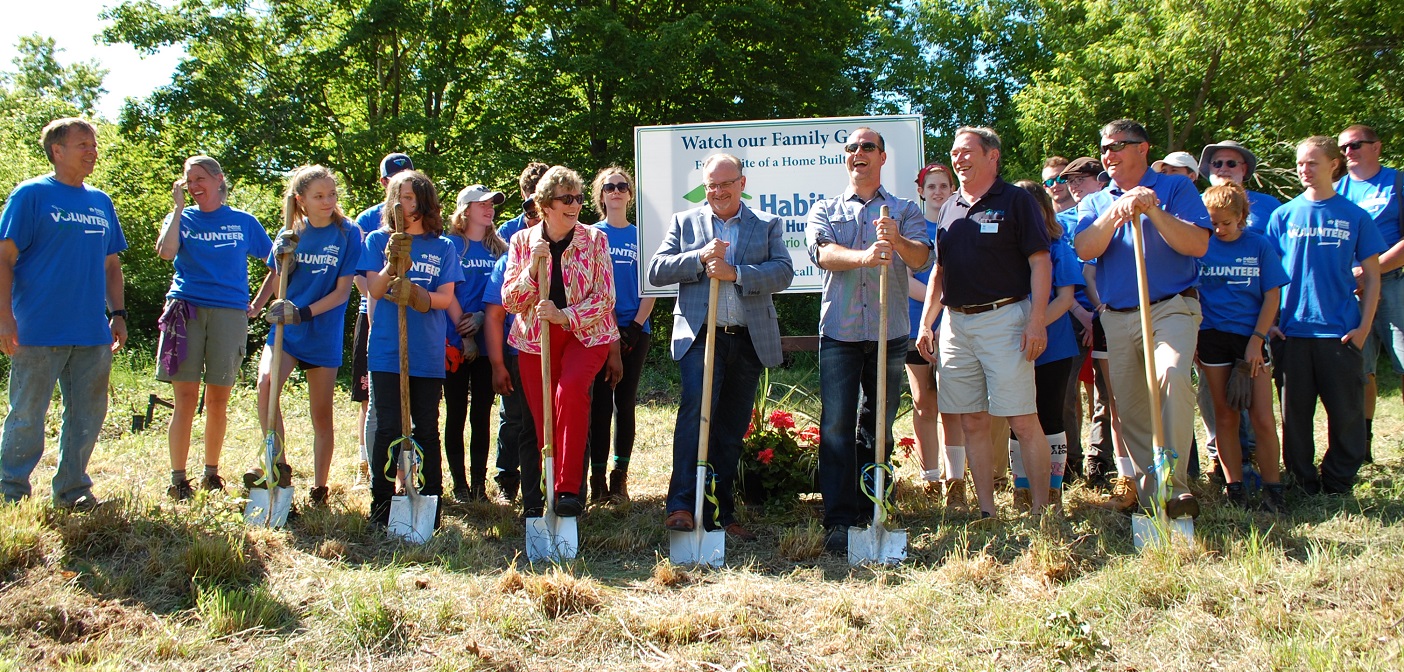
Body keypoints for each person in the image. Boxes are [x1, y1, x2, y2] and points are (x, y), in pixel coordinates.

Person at [650, 153, 794, 539]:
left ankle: (719, 511)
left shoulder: (765, 224)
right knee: (697, 416)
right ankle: (681, 504)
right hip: (701, 337)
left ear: (741, 184)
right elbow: (657, 269)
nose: (717, 191)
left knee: (731, 429)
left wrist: (737, 273)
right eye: (711, 185)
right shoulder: (685, 222)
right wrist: (698, 258)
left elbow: (784, 271)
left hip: (746, 339)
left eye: (725, 184)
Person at [1073, 119, 1211, 519]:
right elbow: (1084, 247)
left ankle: (1177, 485)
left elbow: (1198, 243)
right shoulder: (1097, 201)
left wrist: (1152, 210)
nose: (1108, 154)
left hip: (1170, 307)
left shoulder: (1175, 188)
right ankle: (1155, 498)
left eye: (1118, 145)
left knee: (1170, 375)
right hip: (1117, 316)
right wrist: (1117, 212)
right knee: (1131, 410)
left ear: (1143, 148)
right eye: (1104, 147)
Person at [915, 127, 1051, 520]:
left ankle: (1042, 510)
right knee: (971, 418)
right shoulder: (949, 207)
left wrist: (1037, 320)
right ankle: (986, 511)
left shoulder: (1016, 201)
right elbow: (940, 270)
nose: (958, 159)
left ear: (992, 156)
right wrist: (927, 323)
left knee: (1022, 419)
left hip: (1006, 320)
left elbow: (1040, 261)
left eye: (967, 152)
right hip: (957, 326)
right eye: (954, 152)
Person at [808, 127, 931, 552]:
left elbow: (920, 259)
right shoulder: (824, 207)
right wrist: (864, 256)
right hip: (840, 333)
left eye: (867, 147)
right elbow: (823, 254)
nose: (858, 153)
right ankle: (839, 520)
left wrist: (895, 239)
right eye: (852, 148)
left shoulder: (904, 209)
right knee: (836, 427)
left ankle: (875, 508)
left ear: (882, 157)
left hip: (888, 332)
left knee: (878, 425)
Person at [0, 117, 127, 509]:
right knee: (27, 414)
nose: (92, 150)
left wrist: (118, 313)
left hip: (91, 331)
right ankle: (11, 491)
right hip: (37, 327)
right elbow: (4, 259)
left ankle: (74, 490)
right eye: (82, 144)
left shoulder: (100, 201)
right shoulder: (32, 195)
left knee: (87, 415)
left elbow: (111, 266)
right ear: (57, 151)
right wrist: (5, 318)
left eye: (93, 144)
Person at [1266, 136, 1384, 496]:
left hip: (1340, 333)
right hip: (1292, 332)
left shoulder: (1355, 215)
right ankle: (1303, 481)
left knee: (1346, 416)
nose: (1304, 169)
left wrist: (1363, 328)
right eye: (1300, 163)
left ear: (1334, 165)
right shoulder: (1282, 216)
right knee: (1295, 419)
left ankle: (1338, 481)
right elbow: (1267, 277)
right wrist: (1269, 323)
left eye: (1312, 163)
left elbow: (1373, 276)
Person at [155, 155, 273, 500]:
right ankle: (179, 479)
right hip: (186, 309)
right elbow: (166, 252)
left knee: (218, 398)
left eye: (200, 179)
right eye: (188, 180)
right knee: (186, 399)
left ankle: (211, 473)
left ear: (219, 179)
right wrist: (177, 210)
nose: (193, 186)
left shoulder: (242, 221)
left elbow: (278, 264)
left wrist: (258, 304)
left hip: (229, 314)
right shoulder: (182, 216)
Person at [503, 166, 618, 518]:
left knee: (569, 392)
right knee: (540, 417)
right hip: (535, 340)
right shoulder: (522, 242)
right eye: (565, 199)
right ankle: (540, 493)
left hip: (586, 334)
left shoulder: (595, 239)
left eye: (579, 198)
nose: (574, 205)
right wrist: (532, 268)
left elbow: (605, 297)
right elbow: (510, 300)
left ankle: (568, 490)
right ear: (544, 205)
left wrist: (564, 316)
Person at [247, 165, 360, 505]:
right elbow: (274, 276)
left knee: (321, 413)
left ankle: (320, 487)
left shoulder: (347, 233)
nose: (328, 201)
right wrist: (257, 306)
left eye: (331, 195)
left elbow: (342, 293)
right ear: (301, 200)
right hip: (286, 331)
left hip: (321, 330)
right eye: (319, 196)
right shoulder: (290, 229)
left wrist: (304, 312)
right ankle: (277, 465)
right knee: (265, 386)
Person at [358, 170, 462, 528]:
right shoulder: (377, 240)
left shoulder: (443, 246)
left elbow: (447, 297)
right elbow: (373, 290)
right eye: (399, 198)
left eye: (410, 197)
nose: (405, 204)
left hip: (427, 351)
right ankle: (381, 505)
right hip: (388, 349)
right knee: (387, 427)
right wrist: (391, 264)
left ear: (424, 201)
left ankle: (431, 502)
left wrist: (419, 296)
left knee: (426, 428)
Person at [1195, 183, 1288, 512]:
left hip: (1250, 338)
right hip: (1212, 337)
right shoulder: (1201, 246)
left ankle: (1273, 490)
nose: (1219, 229)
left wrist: (1256, 341)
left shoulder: (1259, 245)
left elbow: (1272, 295)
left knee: (1262, 417)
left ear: (1242, 218)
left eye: (1226, 223)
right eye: (1213, 223)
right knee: (1225, 415)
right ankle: (1234, 488)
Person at [1010, 179, 1083, 513]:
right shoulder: (1006, 248)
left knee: (1050, 417)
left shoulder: (1057, 245)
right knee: (1019, 418)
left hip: (1054, 347)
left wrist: (1033, 325)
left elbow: (1066, 299)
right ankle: (1022, 490)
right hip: (1013, 346)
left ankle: (1052, 491)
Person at [588, 166, 656, 503]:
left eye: (622, 186)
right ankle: (596, 479)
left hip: (636, 328)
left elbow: (653, 285)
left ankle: (620, 477)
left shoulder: (642, 236)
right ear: (601, 195)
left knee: (624, 402)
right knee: (599, 404)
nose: (616, 191)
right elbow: (586, 285)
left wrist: (633, 326)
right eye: (609, 187)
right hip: (599, 329)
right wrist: (609, 326)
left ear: (630, 194)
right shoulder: (589, 235)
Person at [1335, 125, 1403, 462]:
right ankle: (1363, 446)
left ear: (1376, 147)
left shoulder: (1397, 183)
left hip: (1395, 284)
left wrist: (1371, 271)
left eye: (1356, 145)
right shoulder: (1338, 190)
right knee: (1362, 371)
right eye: (1343, 147)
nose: (1348, 152)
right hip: (1354, 291)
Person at [486, 163, 550, 501]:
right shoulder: (512, 251)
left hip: (557, 351)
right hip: (517, 352)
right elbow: (496, 314)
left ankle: (548, 485)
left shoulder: (579, 247)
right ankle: (508, 480)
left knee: (547, 421)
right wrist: (497, 364)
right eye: (532, 207)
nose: (538, 214)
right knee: (516, 419)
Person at [351, 152, 415, 484]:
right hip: (373, 312)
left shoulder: (422, 217)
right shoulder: (368, 221)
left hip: (412, 314)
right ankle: (369, 466)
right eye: (395, 178)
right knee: (372, 398)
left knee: (410, 400)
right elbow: (360, 274)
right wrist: (375, 298)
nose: (402, 182)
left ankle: (407, 471)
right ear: (383, 183)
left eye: (408, 175)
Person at [443, 185, 508, 502]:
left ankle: (480, 486)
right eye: (481, 204)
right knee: (455, 414)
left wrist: (483, 318)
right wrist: (465, 334)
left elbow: (505, 295)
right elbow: (447, 293)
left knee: (482, 415)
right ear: (465, 209)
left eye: (492, 204)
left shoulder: (500, 250)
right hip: (454, 342)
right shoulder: (450, 246)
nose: (489, 208)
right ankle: (459, 486)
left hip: (489, 344)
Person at [907, 163, 966, 504]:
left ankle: (955, 480)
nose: (938, 192)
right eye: (931, 186)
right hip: (914, 325)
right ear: (921, 191)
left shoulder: (959, 224)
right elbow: (905, 278)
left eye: (944, 186)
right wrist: (930, 315)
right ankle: (930, 477)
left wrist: (943, 314)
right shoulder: (913, 227)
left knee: (953, 405)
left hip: (955, 326)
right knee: (923, 402)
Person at [1043, 156, 1096, 482]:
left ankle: (1097, 463)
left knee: (1102, 398)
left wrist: (1092, 314)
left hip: (1096, 315)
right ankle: (1069, 466)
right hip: (1066, 319)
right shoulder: (1045, 228)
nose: (1057, 185)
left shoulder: (1085, 216)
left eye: (1061, 179)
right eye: (1049, 181)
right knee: (1064, 397)